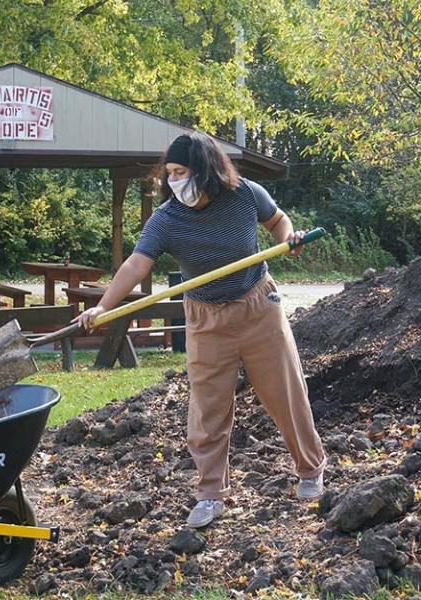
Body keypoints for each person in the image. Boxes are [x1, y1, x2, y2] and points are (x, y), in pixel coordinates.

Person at [77, 132, 327, 528]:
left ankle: (311, 470)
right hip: (206, 317)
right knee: (207, 408)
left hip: (258, 306)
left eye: (181, 172)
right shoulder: (167, 218)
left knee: (284, 392)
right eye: (170, 174)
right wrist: (104, 305)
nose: (174, 181)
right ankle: (211, 493)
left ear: (206, 171)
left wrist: (289, 239)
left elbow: (278, 221)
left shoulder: (245, 194)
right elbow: (136, 264)